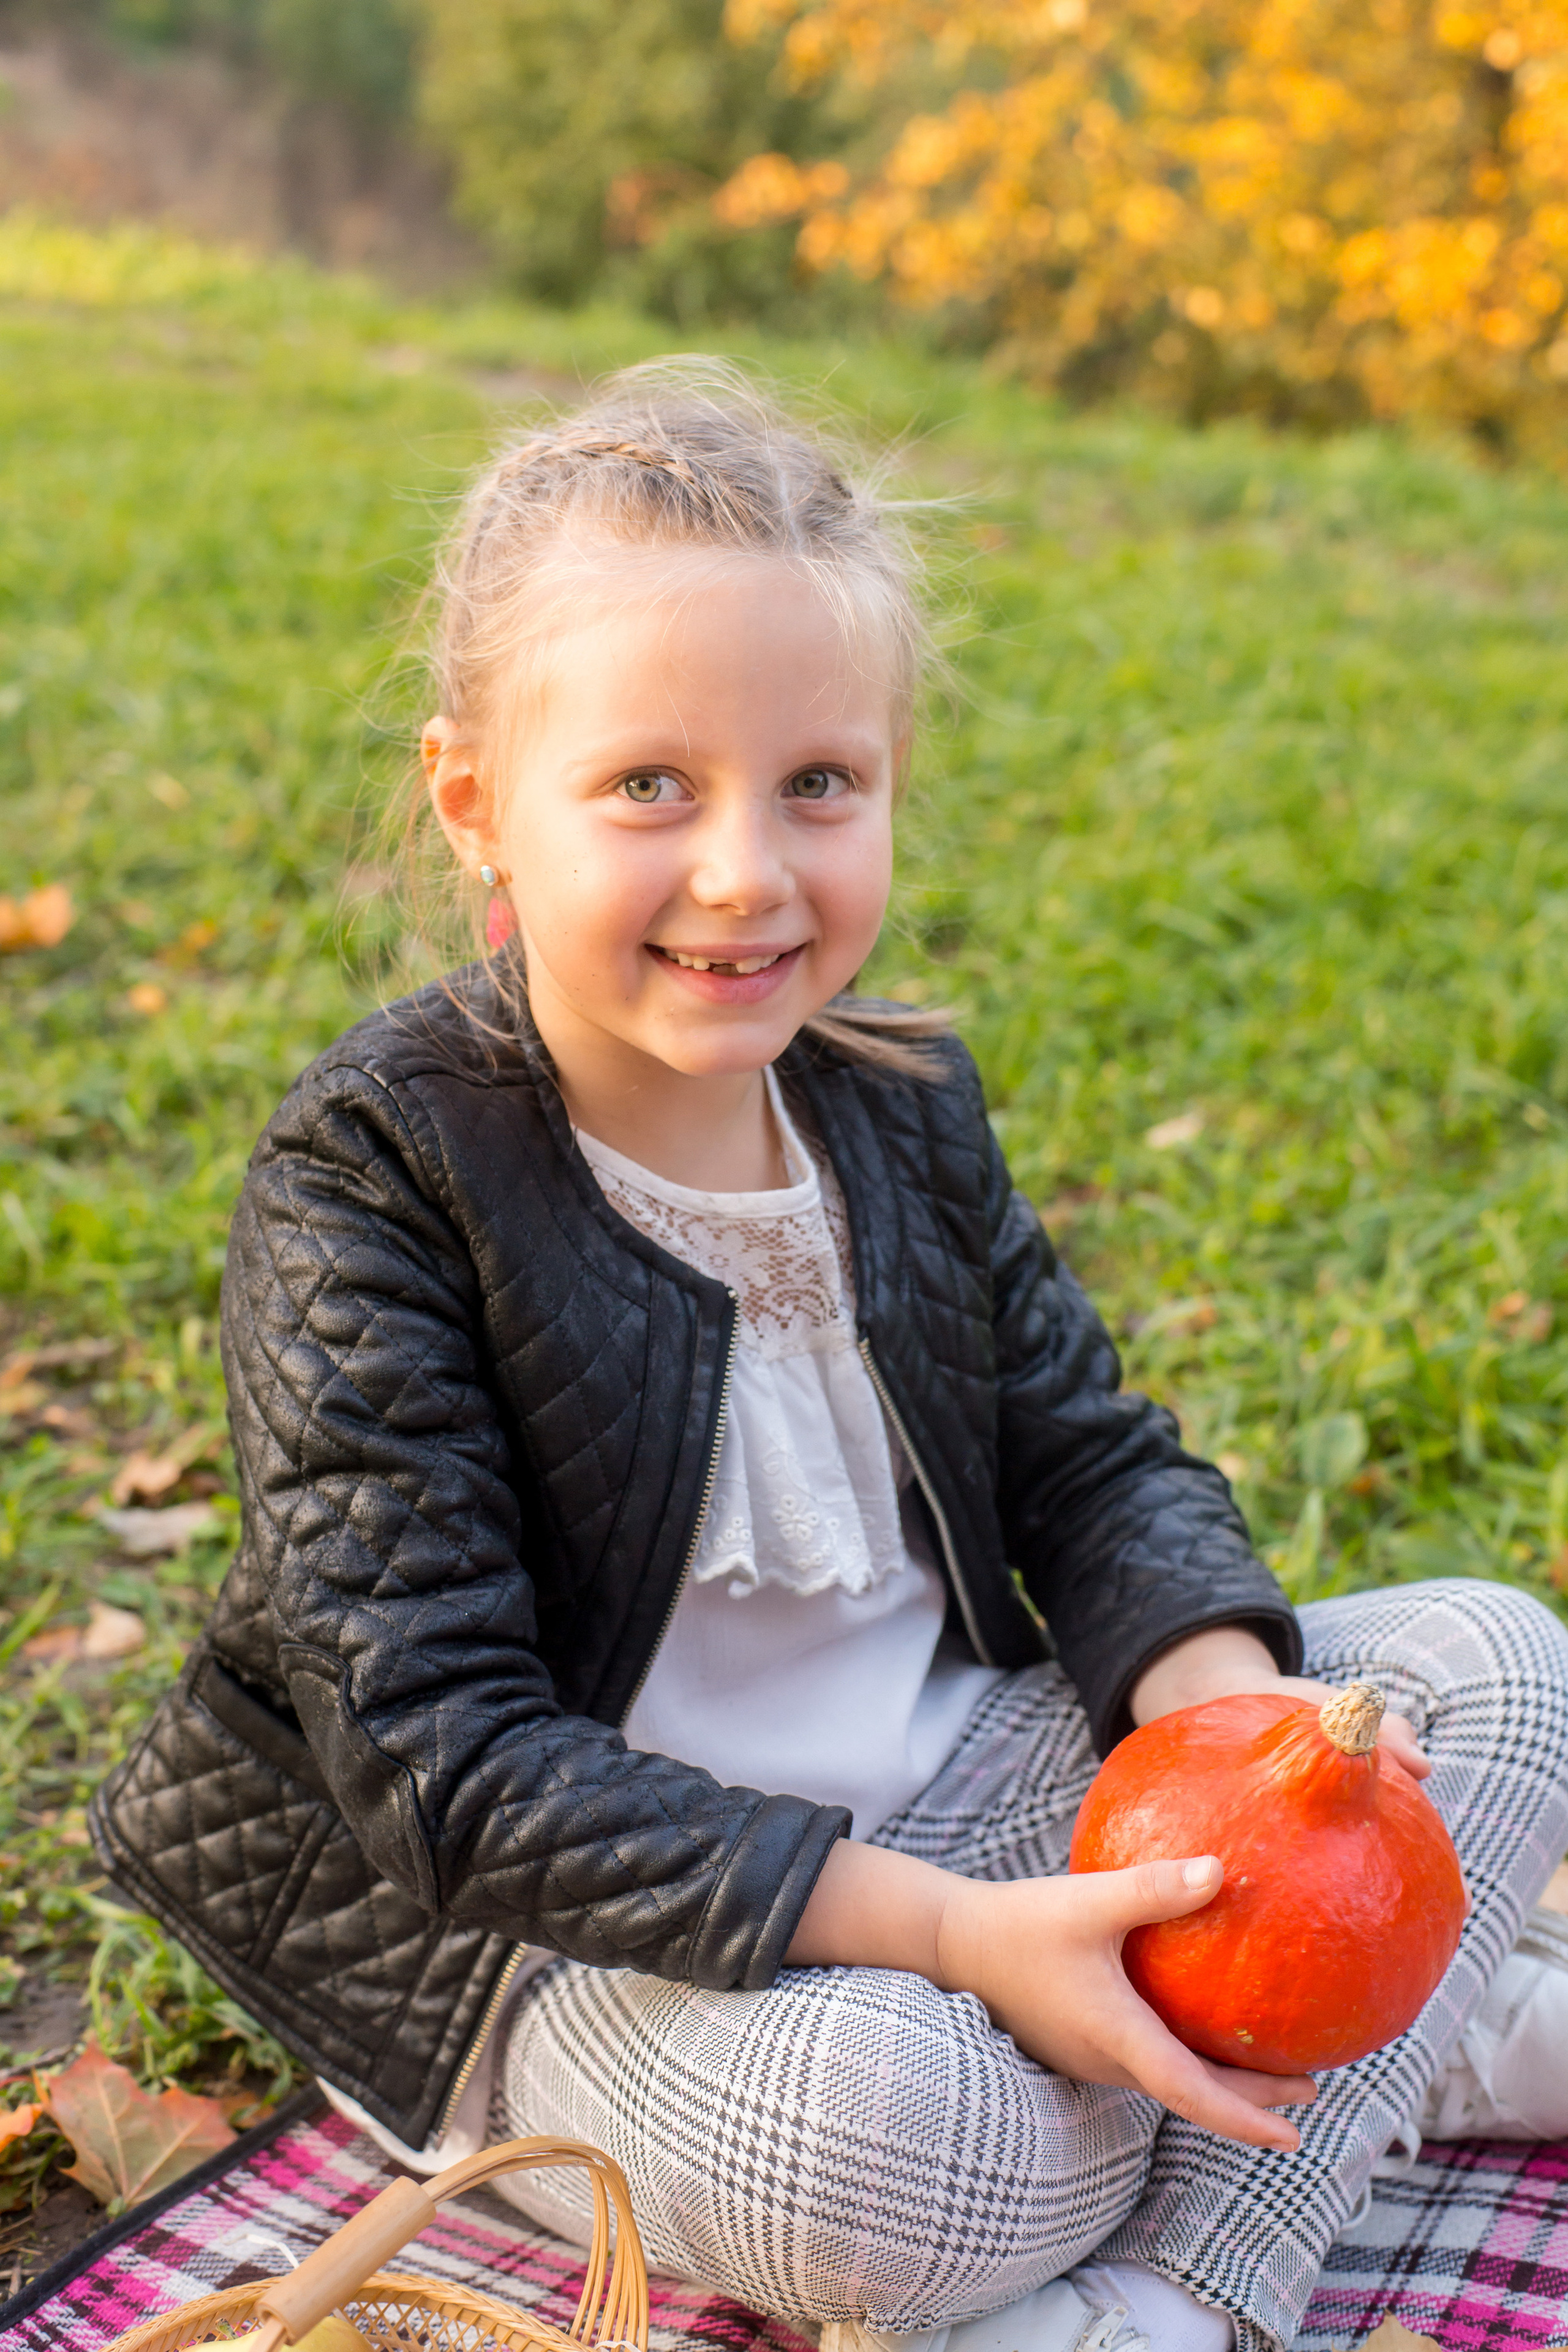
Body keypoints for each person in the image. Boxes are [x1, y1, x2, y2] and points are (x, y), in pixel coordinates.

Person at [91, 360, 1568, 2352]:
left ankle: (1168, 2302)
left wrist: (1245, 1782)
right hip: (570, 1931)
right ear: (476, 804)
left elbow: (1093, 1462)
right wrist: (962, 1942)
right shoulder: (375, 1174)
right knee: (912, 2148)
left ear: (884, 784)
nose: (745, 874)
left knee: (1499, 1668)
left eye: (818, 784)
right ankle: (1371, 2074)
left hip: (950, 1774)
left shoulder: (893, 1098)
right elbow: (440, 1760)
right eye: (647, 786)